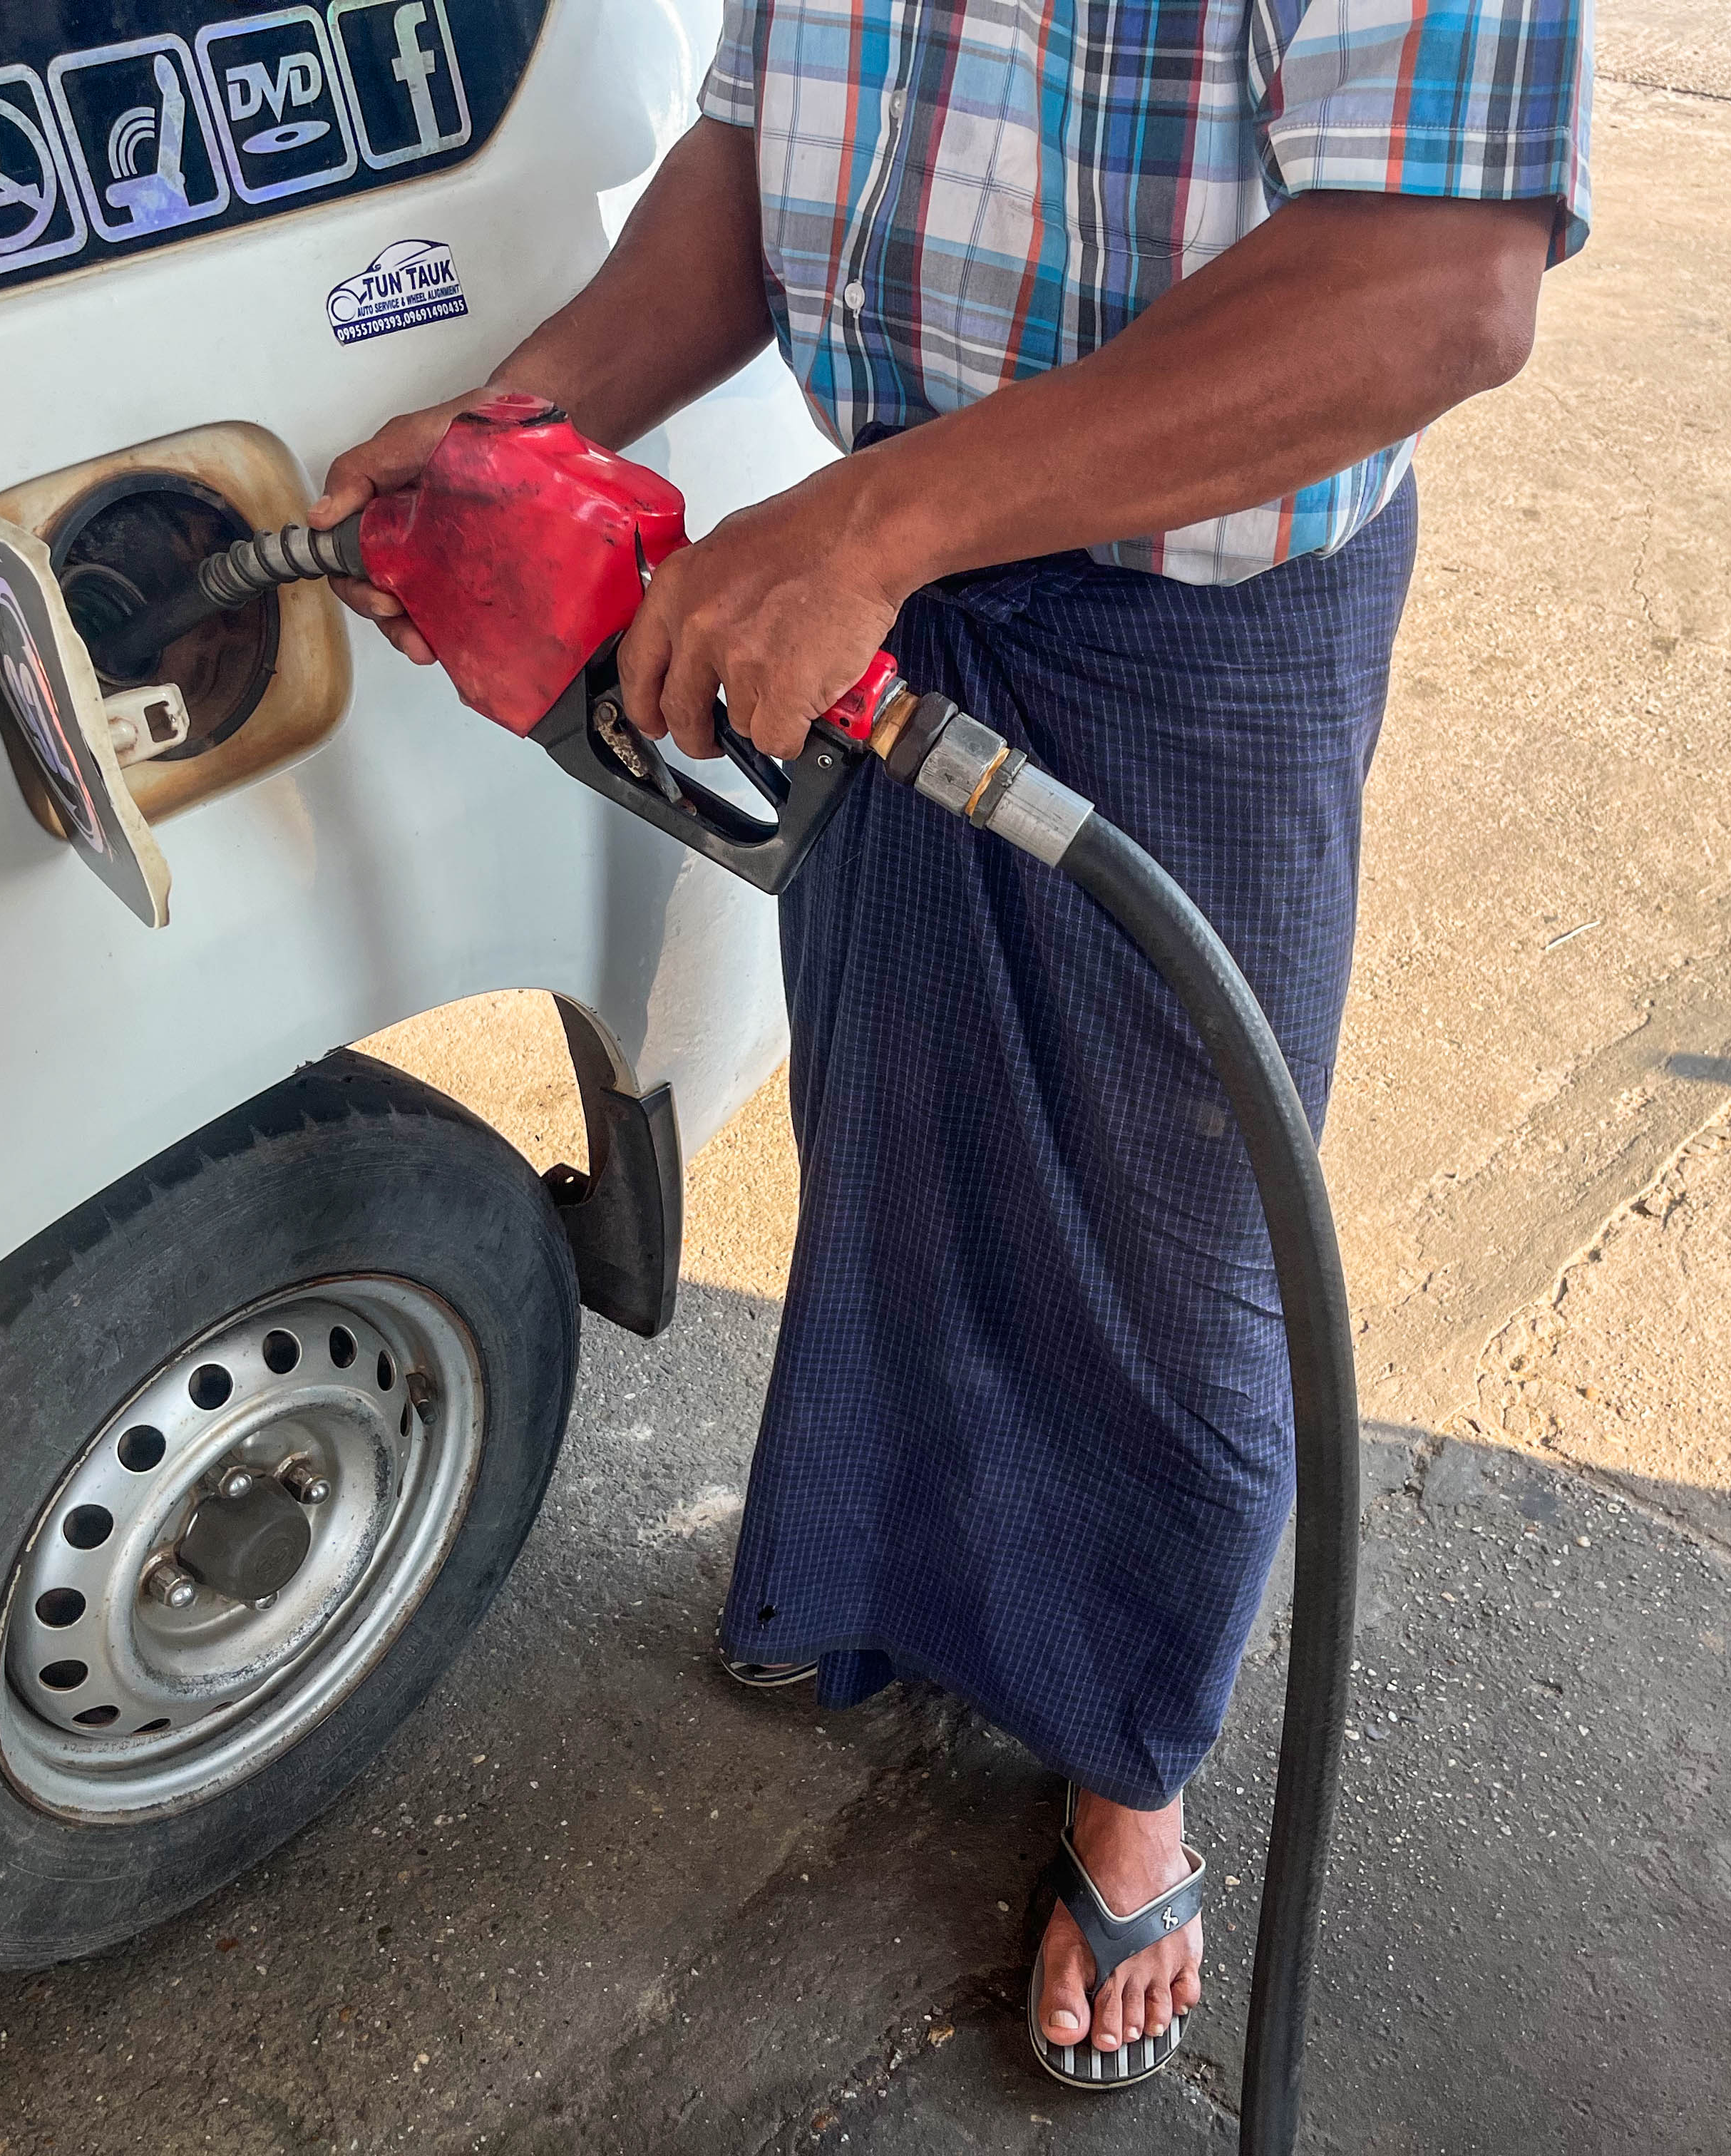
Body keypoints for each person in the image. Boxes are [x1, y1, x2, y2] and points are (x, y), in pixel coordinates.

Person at [314, 0, 1592, 2093]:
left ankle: (1124, 1757)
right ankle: (903, 1585)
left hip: (1182, 625)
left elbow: (1438, 283)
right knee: (901, 1139)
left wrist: (873, 530)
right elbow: (752, 156)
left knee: (1169, 1258)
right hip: (898, 572)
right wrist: (513, 430)